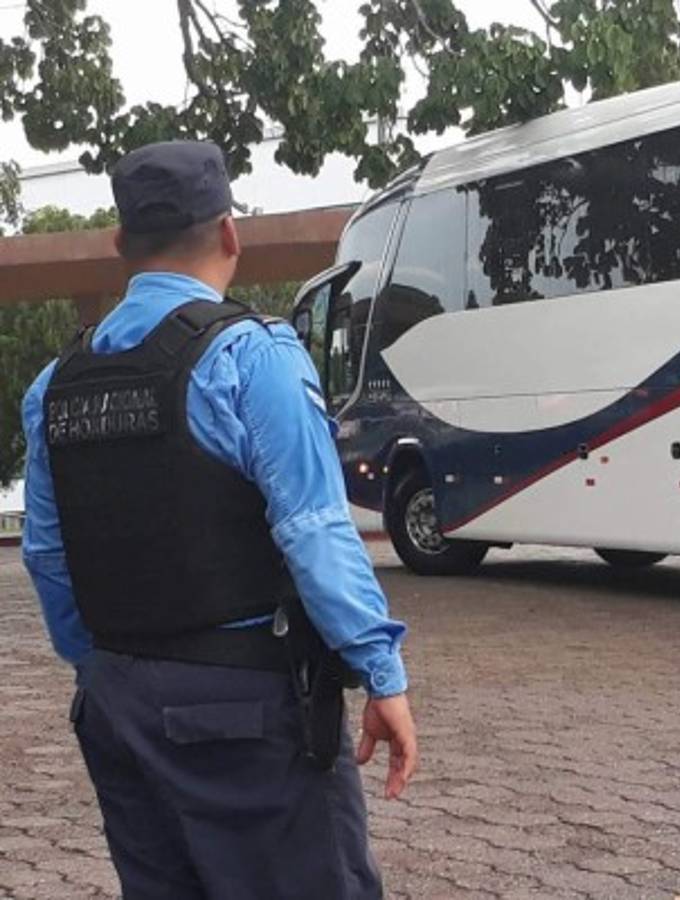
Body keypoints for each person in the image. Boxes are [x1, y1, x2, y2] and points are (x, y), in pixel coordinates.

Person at [20, 140, 417, 899]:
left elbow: (46, 553)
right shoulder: (253, 355)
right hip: (242, 706)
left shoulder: (54, 388)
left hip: (115, 703)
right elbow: (314, 530)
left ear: (119, 246)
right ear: (230, 234)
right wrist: (380, 673)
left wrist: (105, 666)